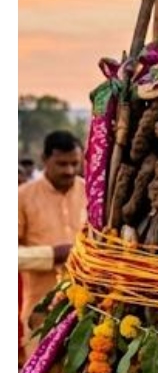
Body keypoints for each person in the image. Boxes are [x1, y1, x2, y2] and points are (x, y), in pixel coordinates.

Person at [18, 131, 86, 342]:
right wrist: (52, 255)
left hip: (86, 311)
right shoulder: (21, 197)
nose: (69, 170)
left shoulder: (91, 193)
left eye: (74, 163)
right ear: (44, 160)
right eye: (61, 164)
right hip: (41, 312)